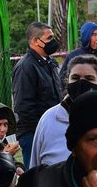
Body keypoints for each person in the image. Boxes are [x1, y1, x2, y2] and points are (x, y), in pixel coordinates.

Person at [30, 54, 97, 167]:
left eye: (89, 78)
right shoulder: (49, 119)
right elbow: (34, 168)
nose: (81, 83)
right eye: (75, 78)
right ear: (67, 80)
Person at [12, 22, 63, 167]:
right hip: (34, 133)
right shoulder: (25, 67)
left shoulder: (50, 63)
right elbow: (23, 106)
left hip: (51, 129)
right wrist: (42, 129)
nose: (53, 42)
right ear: (35, 41)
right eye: (49, 38)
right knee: (35, 176)